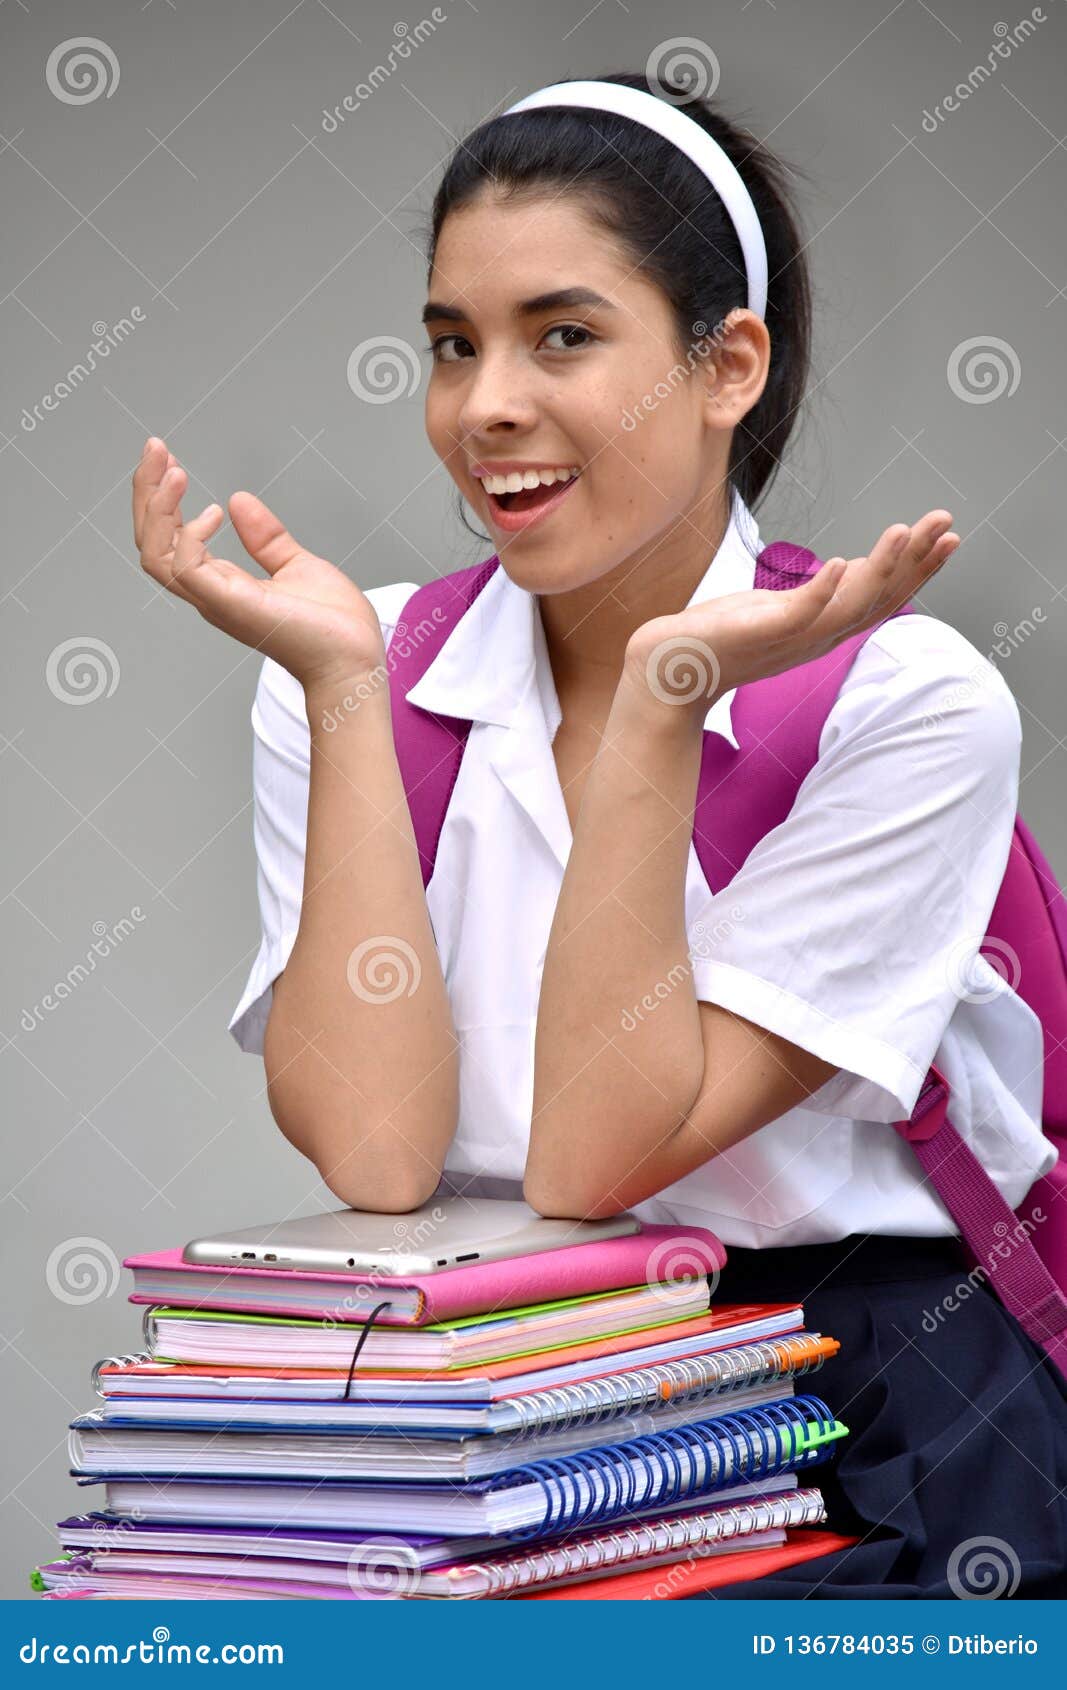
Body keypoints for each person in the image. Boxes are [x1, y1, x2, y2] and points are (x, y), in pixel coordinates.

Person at [131, 70, 1067, 1597]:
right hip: (486, 1392)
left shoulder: (902, 701)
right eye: (453, 344)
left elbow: (597, 1147)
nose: (486, 403)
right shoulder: (352, 665)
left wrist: (657, 709)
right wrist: (348, 699)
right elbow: (375, 1156)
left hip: (857, 1408)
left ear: (726, 366)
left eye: (562, 335)